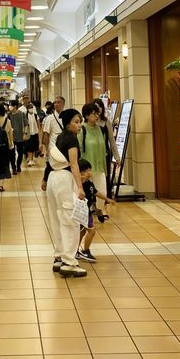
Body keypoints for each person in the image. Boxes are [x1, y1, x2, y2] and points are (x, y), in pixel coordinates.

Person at [46, 108, 87, 278]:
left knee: (56, 218)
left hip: (53, 179)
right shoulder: (71, 139)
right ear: (68, 123)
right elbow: (74, 164)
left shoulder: (61, 137)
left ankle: (59, 256)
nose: (79, 125)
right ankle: (69, 262)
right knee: (70, 220)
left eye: (80, 121)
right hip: (64, 179)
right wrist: (80, 187)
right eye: (76, 122)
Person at [77, 159, 115, 263]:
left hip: (86, 211)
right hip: (81, 211)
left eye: (89, 170)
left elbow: (96, 192)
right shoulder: (77, 184)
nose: (88, 173)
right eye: (84, 171)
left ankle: (75, 250)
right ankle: (85, 251)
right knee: (91, 231)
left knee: (82, 230)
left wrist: (107, 199)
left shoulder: (89, 183)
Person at [80, 102, 110, 220]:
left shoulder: (100, 129)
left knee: (102, 190)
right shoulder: (82, 130)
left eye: (97, 113)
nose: (97, 116)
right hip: (87, 168)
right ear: (87, 116)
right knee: (89, 192)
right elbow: (79, 149)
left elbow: (103, 149)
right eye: (94, 114)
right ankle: (92, 210)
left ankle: (100, 209)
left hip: (100, 166)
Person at [93, 97, 121, 203]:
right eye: (96, 106)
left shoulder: (106, 122)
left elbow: (112, 141)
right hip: (92, 154)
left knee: (105, 175)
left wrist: (117, 157)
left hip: (104, 154)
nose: (98, 109)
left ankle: (105, 197)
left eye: (100, 106)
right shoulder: (89, 123)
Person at [0, 102, 14, 191]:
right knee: (4, 164)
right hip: (5, 147)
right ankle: (1, 185)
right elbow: (10, 134)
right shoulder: (7, 121)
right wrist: (11, 144)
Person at [9, 99, 28, 173]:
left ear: (15, 106)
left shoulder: (22, 114)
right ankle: (13, 168)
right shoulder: (8, 115)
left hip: (20, 136)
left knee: (20, 152)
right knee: (11, 153)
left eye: (11, 105)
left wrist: (25, 134)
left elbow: (26, 124)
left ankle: (18, 165)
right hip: (11, 137)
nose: (9, 107)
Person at [24, 101, 40, 166]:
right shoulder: (25, 115)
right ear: (27, 109)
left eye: (32, 107)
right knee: (29, 146)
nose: (31, 108)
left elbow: (38, 124)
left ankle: (32, 159)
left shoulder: (36, 115)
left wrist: (39, 131)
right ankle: (30, 159)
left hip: (35, 133)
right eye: (30, 107)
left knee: (34, 146)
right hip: (28, 133)